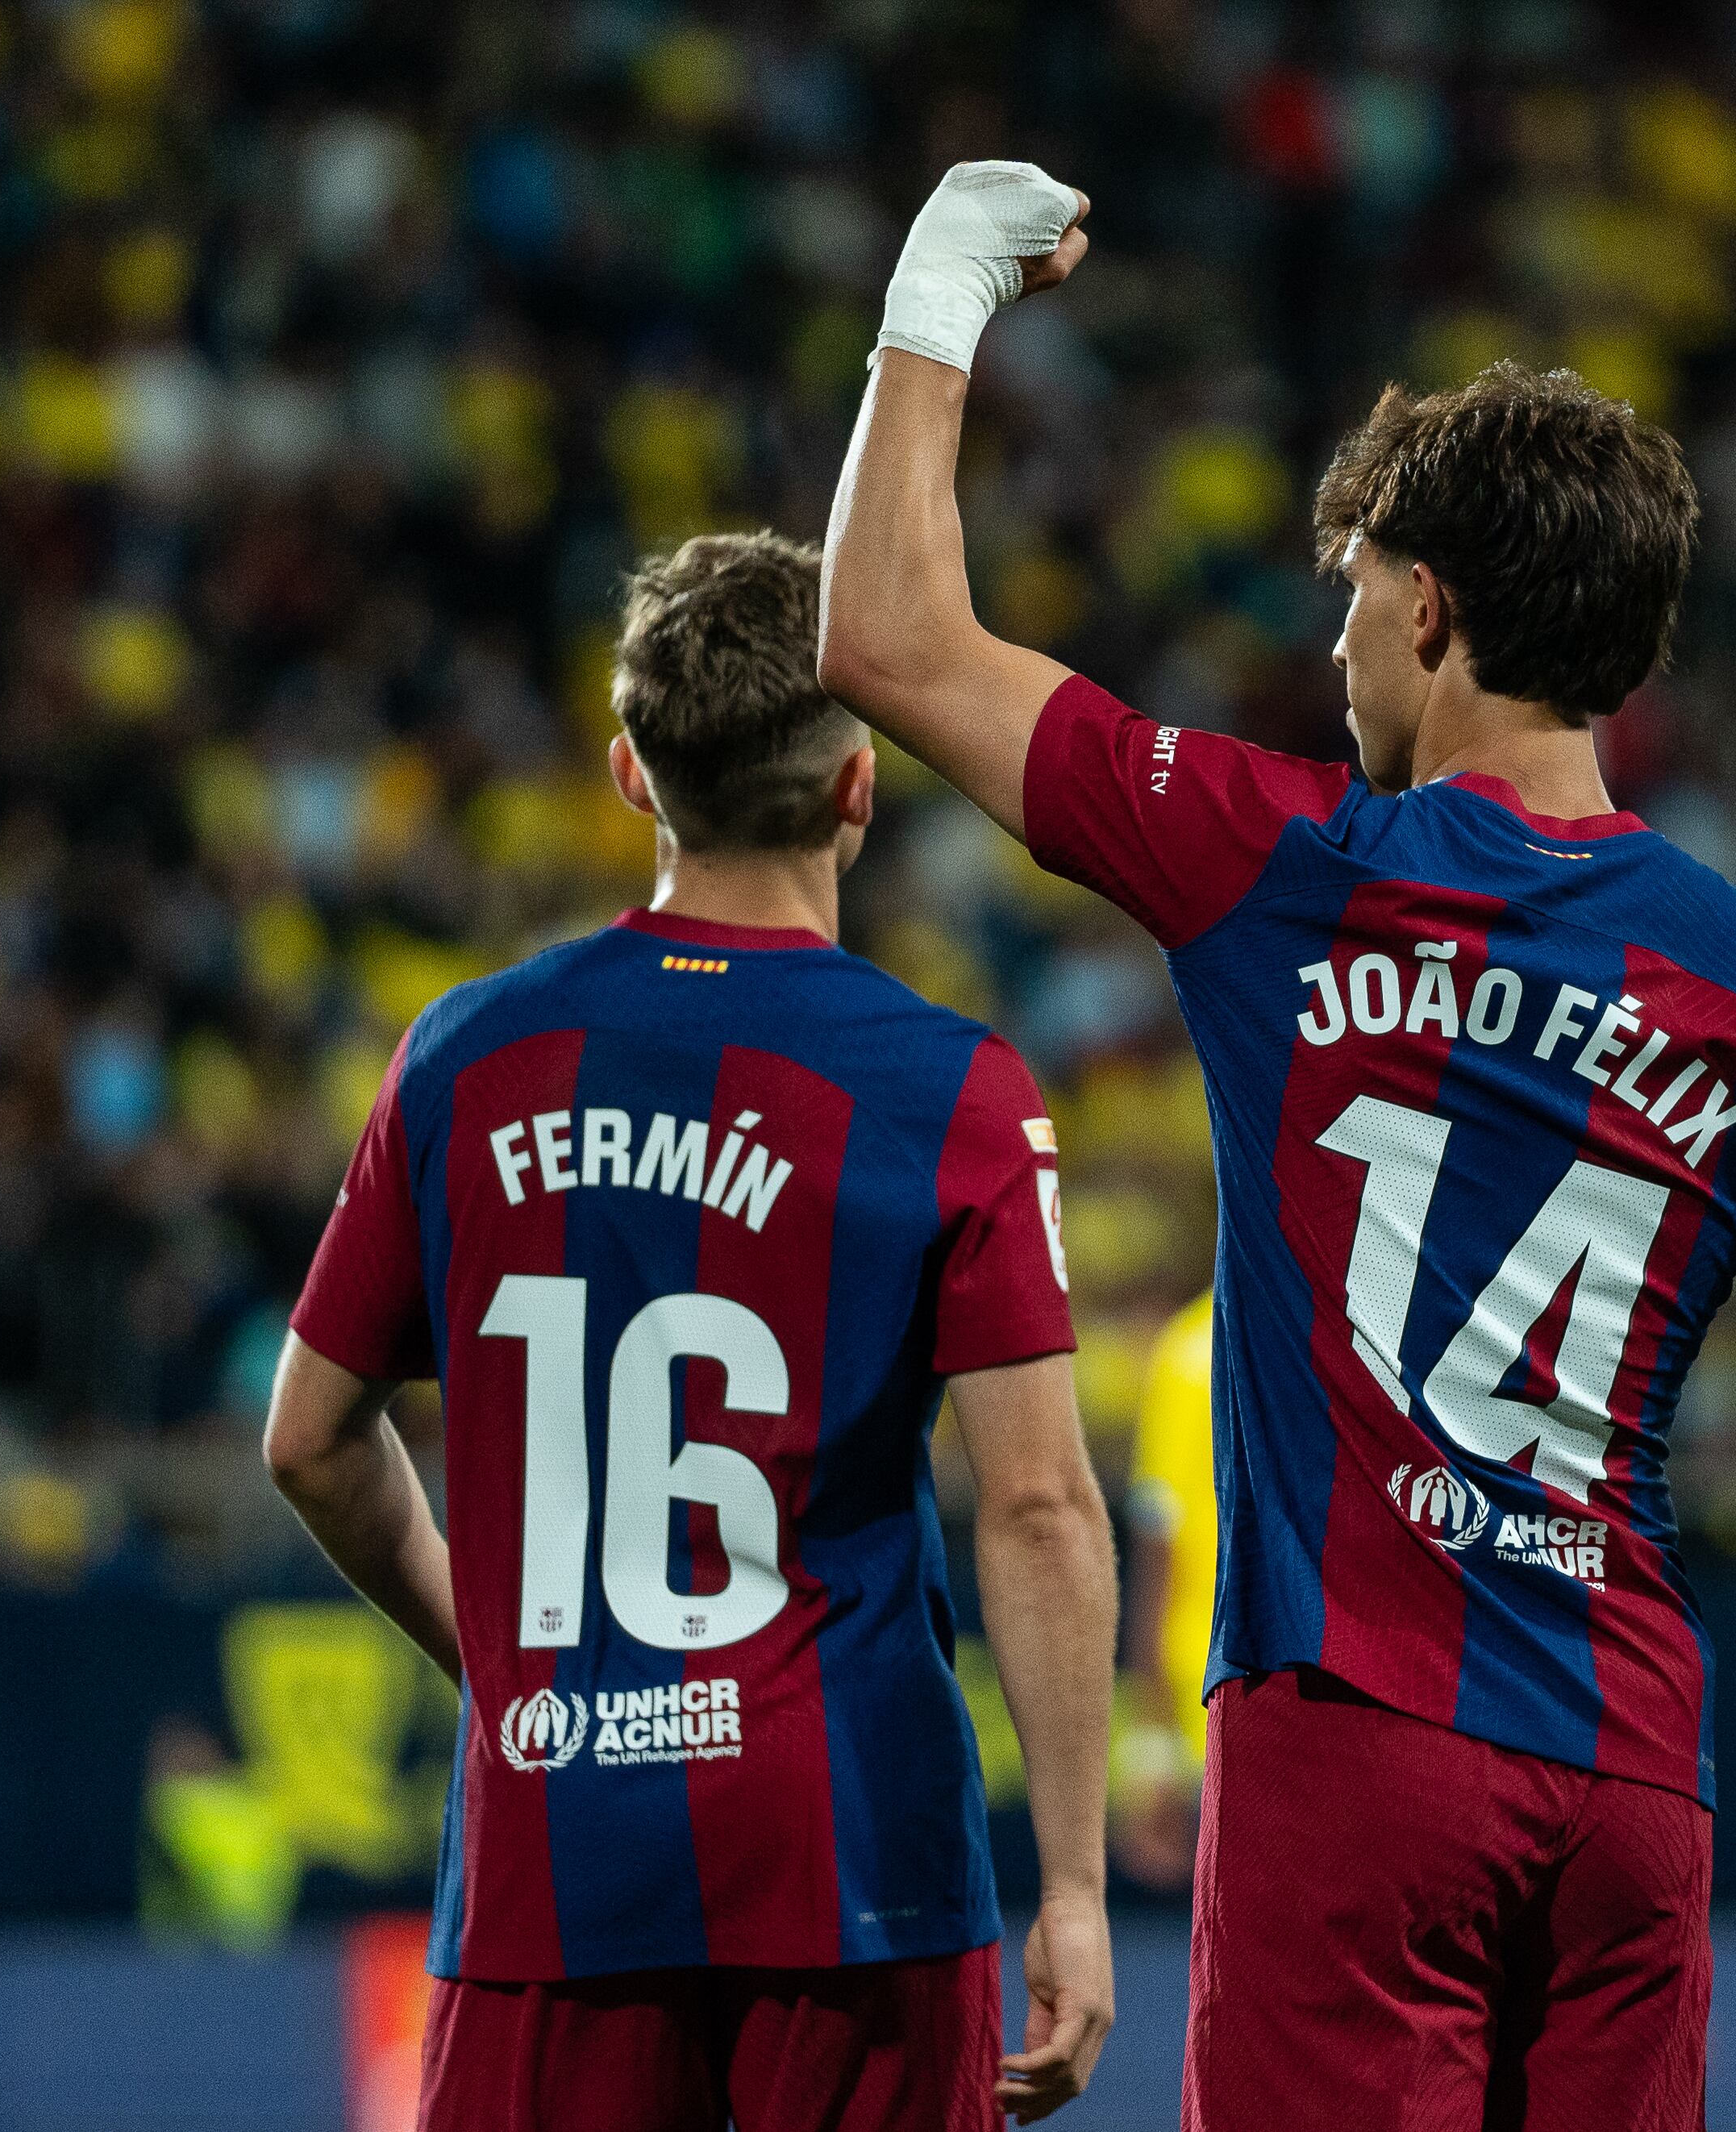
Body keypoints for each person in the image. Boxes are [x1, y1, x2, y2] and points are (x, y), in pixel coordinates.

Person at [819, 163, 1736, 2130]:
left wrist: (936, 289)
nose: (1333, 640)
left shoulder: (1281, 866)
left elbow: (886, 637)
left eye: (1349, 591)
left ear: (1425, 607)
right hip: (1625, 1774)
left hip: (1353, 1742)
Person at [266, 531, 1117, 2131]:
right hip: (853, 1848)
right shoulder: (950, 1087)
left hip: (557, 1845)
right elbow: (1040, 1502)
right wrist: (1070, 1885)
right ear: (862, 783)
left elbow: (309, 1437)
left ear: (629, 777)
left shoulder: (462, 1057)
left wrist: (505, 1656)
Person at [1113, 1289, 1217, 1893]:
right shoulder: (1320, 1336)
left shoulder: (1186, 1351)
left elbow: (1156, 1545)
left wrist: (1146, 1745)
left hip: (1205, 1685)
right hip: (1271, 1681)